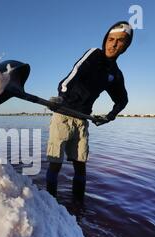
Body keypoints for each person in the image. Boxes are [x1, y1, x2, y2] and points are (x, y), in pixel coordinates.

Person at [45, 21, 133, 208]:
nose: (114, 44)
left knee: (80, 164)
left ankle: (78, 207)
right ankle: (50, 205)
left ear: (126, 47)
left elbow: (122, 100)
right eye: (111, 39)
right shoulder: (94, 54)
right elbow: (71, 77)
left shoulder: (115, 75)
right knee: (55, 163)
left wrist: (110, 116)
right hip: (63, 115)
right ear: (105, 40)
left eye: (120, 41)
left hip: (82, 120)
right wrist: (61, 97)